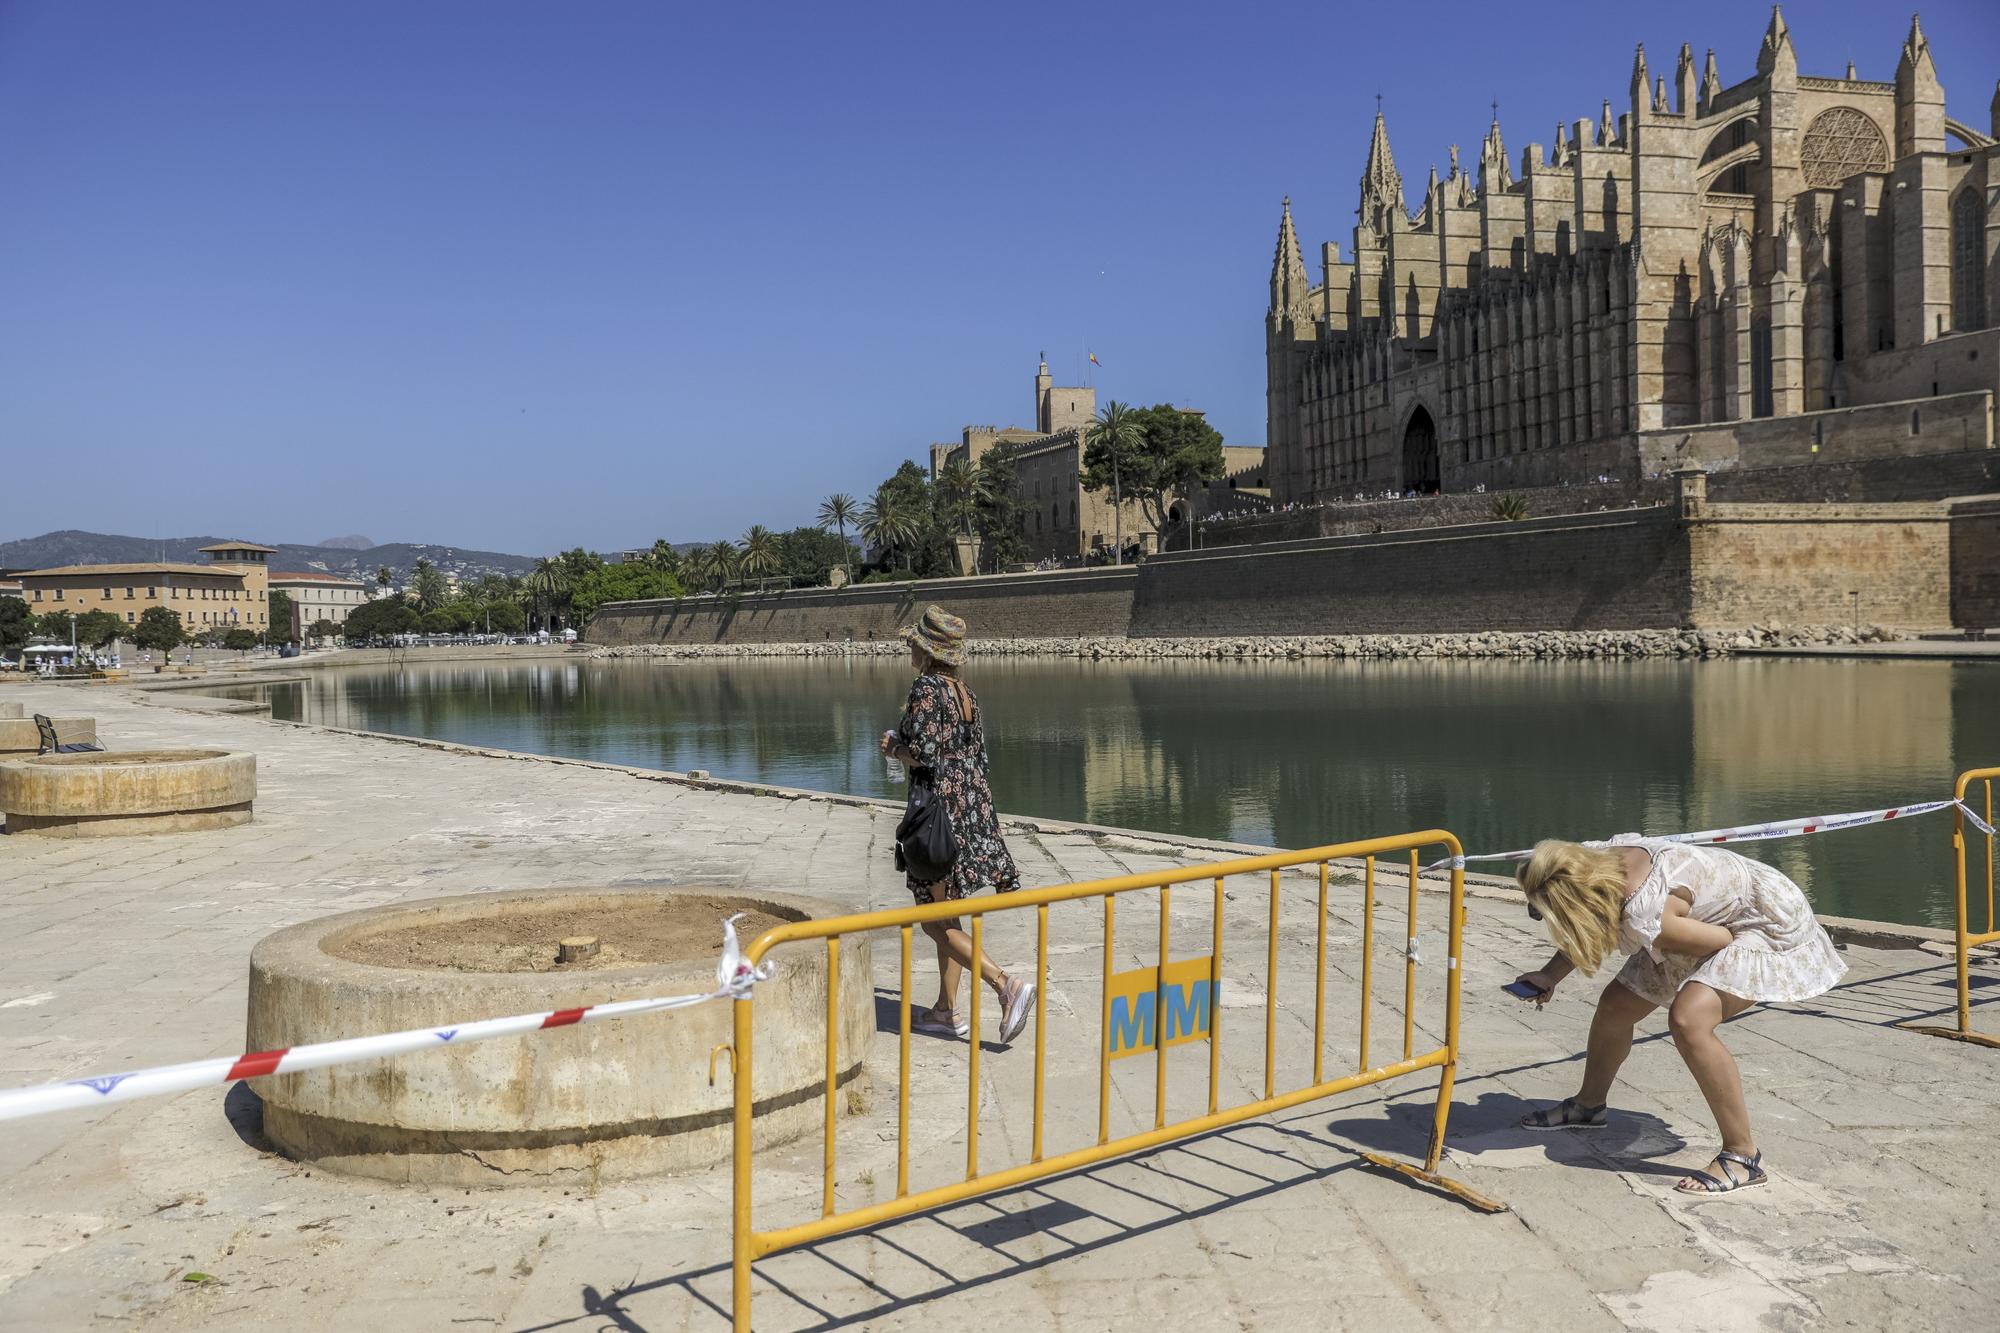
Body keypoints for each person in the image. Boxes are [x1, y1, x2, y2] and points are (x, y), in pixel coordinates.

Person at [1510, 836, 1846, 1194]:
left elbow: (1719, 941)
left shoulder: (1647, 911)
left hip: (1761, 920)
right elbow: (1598, 918)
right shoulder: (1594, 860)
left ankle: (1742, 1155)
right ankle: (1588, 1106)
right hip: (1693, 918)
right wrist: (1549, 975)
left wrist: (1676, 952)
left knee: (1689, 1019)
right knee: (1615, 1007)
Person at [879, 605, 1035, 1044]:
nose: (908, 647)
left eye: (913, 641)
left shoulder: (926, 689)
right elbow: (979, 758)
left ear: (927, 650)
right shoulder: (965, 693)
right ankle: (946, 1011)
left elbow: (923, 754)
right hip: (969, 810)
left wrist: (894, 748)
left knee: (932, 918)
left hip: (938, 816)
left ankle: (1005, 984)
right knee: (948, 914)